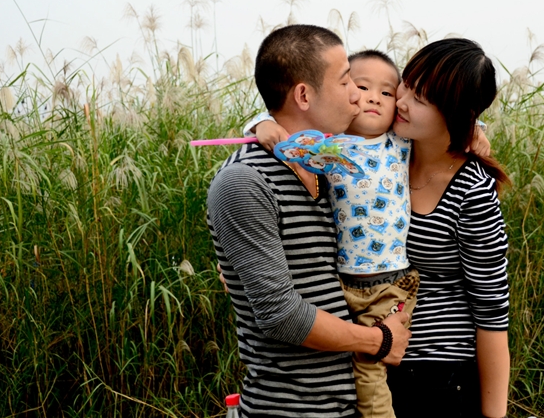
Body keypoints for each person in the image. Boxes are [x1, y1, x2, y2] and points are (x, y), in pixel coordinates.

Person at [247, 49, 491, 418]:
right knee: (338, 362)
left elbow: (441, 117)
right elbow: (287, 129)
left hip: (391, 284)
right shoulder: (328, 144)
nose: (374, 98)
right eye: (361, 87)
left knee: (369, 368)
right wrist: (260, 124)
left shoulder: (400, 143)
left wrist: (476, 129)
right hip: (339, 284)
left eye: (387, 92)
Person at [206, 25, 411, 418]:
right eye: (346, 81)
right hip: (291, 410)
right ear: (303, 95)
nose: (357, 94)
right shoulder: (244, 181)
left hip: (348, 405)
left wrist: (473, 133)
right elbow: (280, 315)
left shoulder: (327, 169)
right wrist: (377, 341)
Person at [386, 38, 511, 418]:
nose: (402, 101)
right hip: (369, 361)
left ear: (456, 114)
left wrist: (494, 415)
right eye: (406, 84)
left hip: (437, 377)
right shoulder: (383, 151)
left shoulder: (471, 191)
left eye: (421, 98)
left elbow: (492, 312)